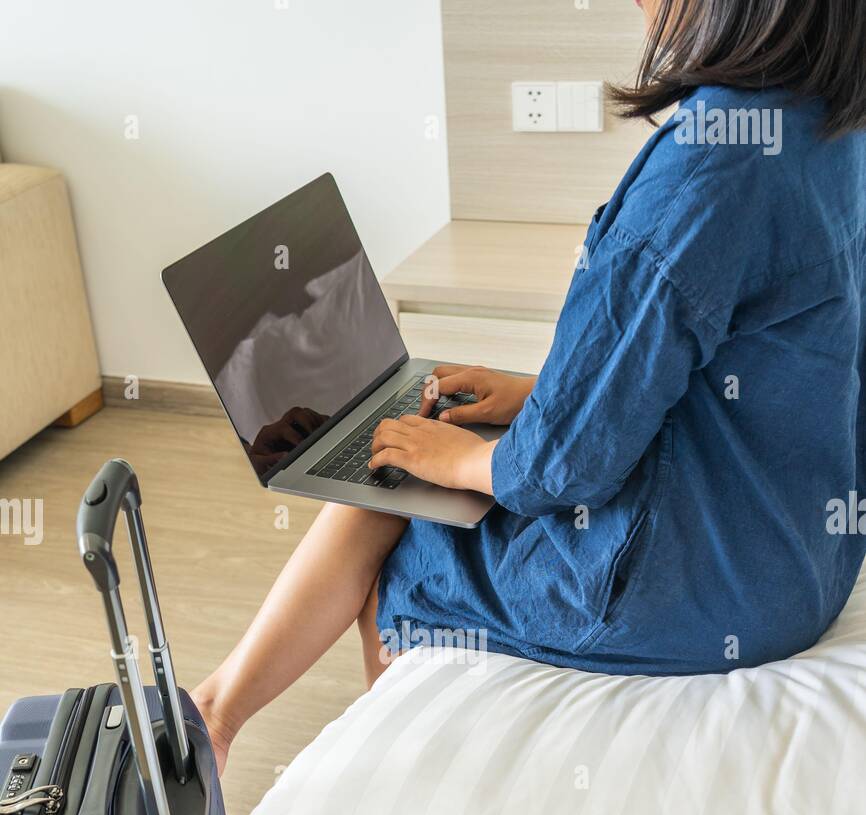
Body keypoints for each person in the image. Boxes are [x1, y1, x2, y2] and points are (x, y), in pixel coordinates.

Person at [192, 0, 866, 774]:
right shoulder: (831, 122)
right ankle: (217, 706)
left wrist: (461, 461)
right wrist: (533, 393)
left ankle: (347, 760)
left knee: (400, 525)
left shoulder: (709, 169)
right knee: (423, 448)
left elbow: (563, 468)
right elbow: (733, 355)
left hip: (703, 582)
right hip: (802, 551)